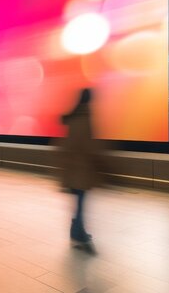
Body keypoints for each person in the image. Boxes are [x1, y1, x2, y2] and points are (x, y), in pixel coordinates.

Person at [58, 88, 103, 254]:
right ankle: (80, 237)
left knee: (79, 204)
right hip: (81, 170)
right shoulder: (84, 118)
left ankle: (78, 233)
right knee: (81, 204)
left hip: (74, 170)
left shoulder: (76, 117)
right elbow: (87, 145)